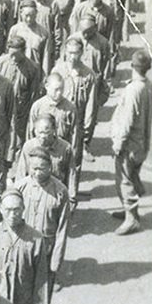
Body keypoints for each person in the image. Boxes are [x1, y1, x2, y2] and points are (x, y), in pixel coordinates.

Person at [15, 150, 71, 304]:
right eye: (34, 168)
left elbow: (63, 228)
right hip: (22, 246)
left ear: (50, 167)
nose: (37, 172)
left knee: (42, 289)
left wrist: (56, 259)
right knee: (20, 287)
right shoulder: (20, 187)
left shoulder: (60, 191)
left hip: (46, 248)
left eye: (42, 168)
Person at [111, 48, 152, 234]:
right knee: (133, 174)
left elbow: (127, 120)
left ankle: (132, 218)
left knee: (124, 180)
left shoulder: (133, 90)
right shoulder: (151, 86)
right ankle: (128, 208)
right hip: (142, 143)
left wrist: (118, 143)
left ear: (132, 66)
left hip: (130, 143)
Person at [52, 37, 98, 205]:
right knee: (55, 156)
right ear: (65, 53)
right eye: (70, 53)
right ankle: (55, 191)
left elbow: (91, 106)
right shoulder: (58, 70)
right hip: (58, 121)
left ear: (81, 53)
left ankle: (71, 195)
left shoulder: (88, 75)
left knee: (74, 159)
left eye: (76, 53)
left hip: (76, 125)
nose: (73, 57)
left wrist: (86, 131)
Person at [0, 35, 42, 167]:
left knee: (18, 139)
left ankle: (16, 167)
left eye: (17, 55)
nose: (13, 58)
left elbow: (34, 94)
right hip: (2, 108)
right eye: (11, 54)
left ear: (23, 51)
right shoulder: (1, 63)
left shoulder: (32, 68)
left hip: (21, 110)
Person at [27, 73, 78, 169]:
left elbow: (74, 134)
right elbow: (30, 133)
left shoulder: (70, 108)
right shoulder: (37, 106)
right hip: (41, 152)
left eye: (61, 89)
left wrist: (72, 155)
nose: (59, 93)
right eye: (56, 89)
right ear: (47, 87)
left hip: (60, 154)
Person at [15, 113, 72, 188]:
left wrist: (71, 197)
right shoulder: (29, 146)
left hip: (56, 191)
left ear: (54, 130)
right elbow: (21, 174)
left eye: (46, 132)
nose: (43, 136)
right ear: (34, 130)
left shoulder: (65, 148)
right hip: (33, 190)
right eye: (39, 132)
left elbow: (71, 175)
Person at [8, 0, 51, 77]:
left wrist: (44, 77)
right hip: (17, 73)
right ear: (21, 13)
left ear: (36, 13)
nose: (29, 19)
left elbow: (46, 58)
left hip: (34, 75)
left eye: (32, 16)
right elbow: (9, 54)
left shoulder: (43, 33)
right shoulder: (14, 30)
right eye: (26, 15)